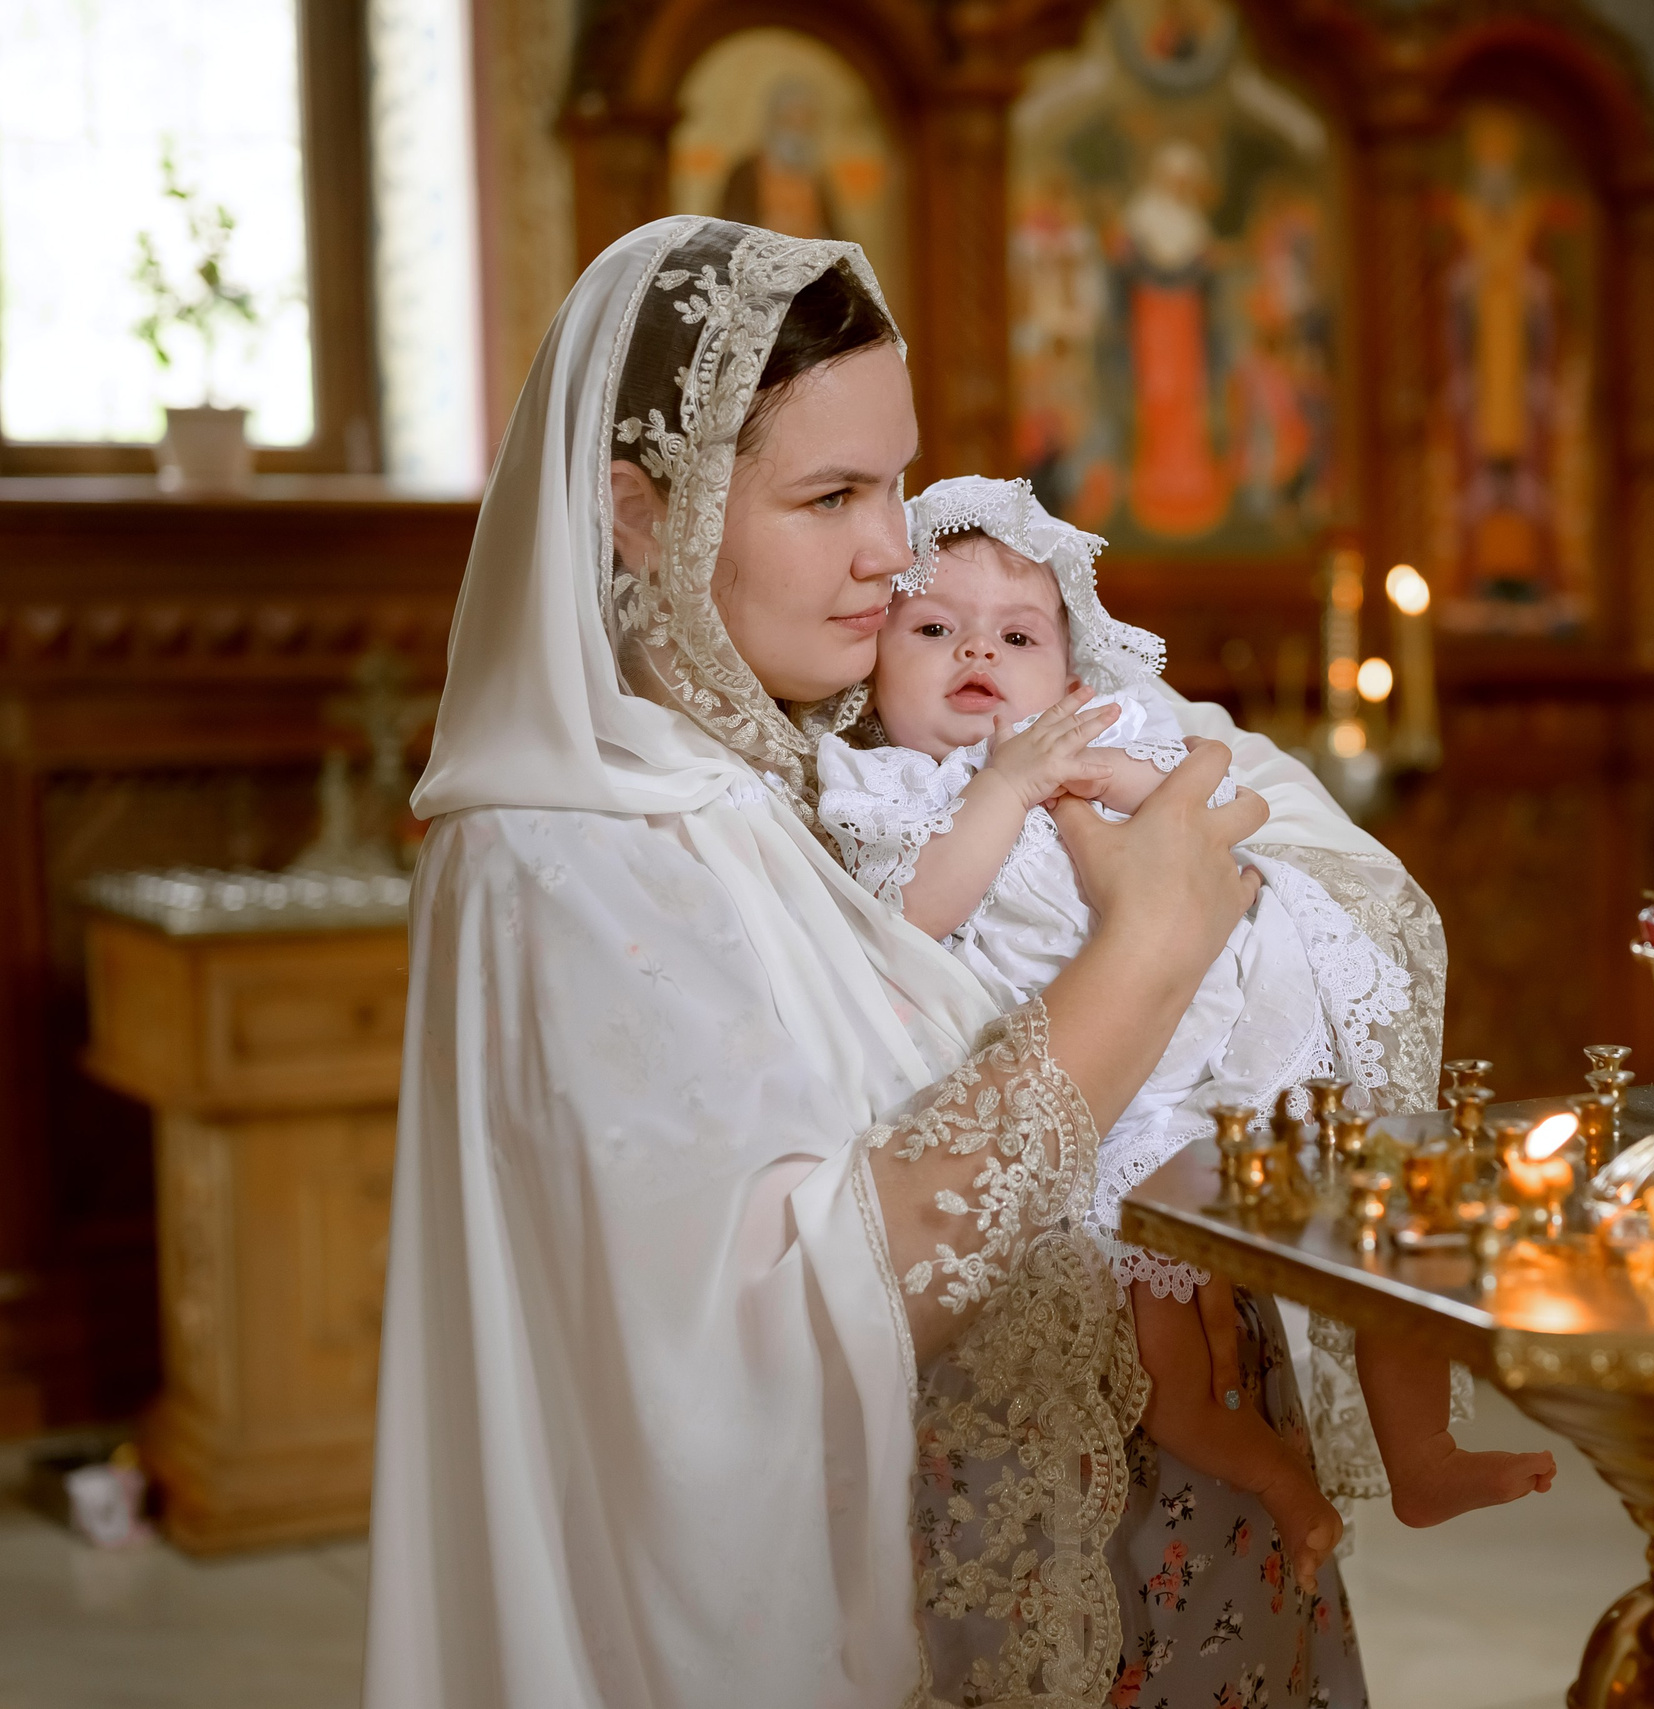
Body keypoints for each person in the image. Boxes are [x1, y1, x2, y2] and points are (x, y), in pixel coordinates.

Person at [364, 217, 1272, 1709]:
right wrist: (1150, 951)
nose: (890, 547)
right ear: (640, 513)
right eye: (831, 493)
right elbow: (778, 1329)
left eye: (898, 480)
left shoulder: (772, 789)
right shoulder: (565, 850)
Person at [815, 477, 1554, 1593]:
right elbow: (914, 913)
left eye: (1014, 635)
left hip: (1221, 1059)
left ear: (1068, 677)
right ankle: (1271, 1473)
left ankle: (1422, 1450)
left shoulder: (1112, 735)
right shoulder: (891, 786)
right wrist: (1004, 789)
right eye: (932, 629)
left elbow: (1210, 828)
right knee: (1166, 1349)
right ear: (874, 665)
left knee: (1387, 1217)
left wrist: (1123, 777)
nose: (975, 650)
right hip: (1107, 1102)